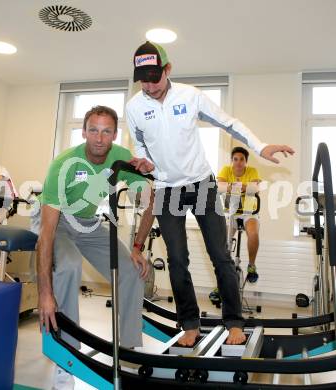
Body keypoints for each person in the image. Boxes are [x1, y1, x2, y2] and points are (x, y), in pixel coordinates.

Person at [126, 41, 294, 347]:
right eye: (143, 79)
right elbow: (139, 145)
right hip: (166, 189)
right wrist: (145, 164)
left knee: (220, 255)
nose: (149, 86)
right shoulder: (135, 107)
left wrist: (260, 146)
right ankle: (189, 324)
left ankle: (234, 322)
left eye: (155, 76)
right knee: (177, 259)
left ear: (168, 69)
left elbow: (229, 123)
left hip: (201, 184)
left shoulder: (190, 96)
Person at [36, 105, 151, 389]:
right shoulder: (63, 165)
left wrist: (137, 246)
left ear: (114, 134)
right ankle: (67, 358)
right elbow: (46, 235)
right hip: (57, 222)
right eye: (94, 130)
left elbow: (153, 199)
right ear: (84, 131)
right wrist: (44, 294)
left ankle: (128, 351)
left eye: (107, 131)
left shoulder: (121, 157)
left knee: (132, 270)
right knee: (69, 266)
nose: (100, 138)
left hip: (88, 222)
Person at [217, 146, 261, 283]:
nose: (238, 162)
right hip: (232, 211)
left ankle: (251, 265)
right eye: (235, 159)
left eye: (241, 159)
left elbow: (255, 189)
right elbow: (218, 187)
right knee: (223, 243)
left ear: (245, 161)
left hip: (249, 211)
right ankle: (221, 284)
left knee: (253, 234)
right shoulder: (226, 170)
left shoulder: (252, 171)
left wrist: (231, 186)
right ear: (232, 160)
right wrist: (243, 186)